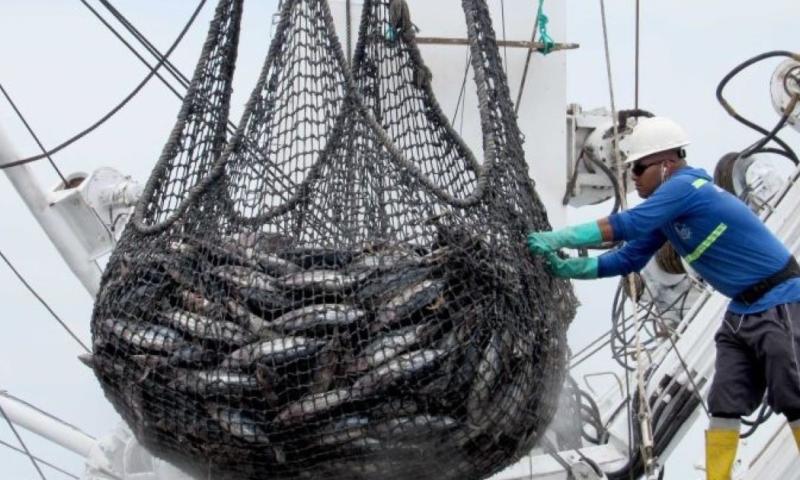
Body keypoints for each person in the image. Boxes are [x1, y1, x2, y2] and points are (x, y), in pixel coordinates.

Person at [527, 116, 800, 480]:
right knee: (724, 402)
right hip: (742, 309)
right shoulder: (670, 208)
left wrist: (558, 238)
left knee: (792, 393)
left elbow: (629, 225)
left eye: (638, 167)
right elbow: (630, 257)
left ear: (666, 164)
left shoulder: (686, 186)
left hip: (779, 298)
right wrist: (571, 269)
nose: (634, 176)